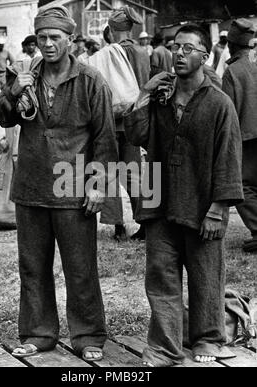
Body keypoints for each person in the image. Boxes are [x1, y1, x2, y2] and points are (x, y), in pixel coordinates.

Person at [0, 5, 118, 361]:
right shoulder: (25, 76)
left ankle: (89, 335)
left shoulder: (91, 81)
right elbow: (4, 116)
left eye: (55, 38)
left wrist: (97, 184)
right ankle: (37, 333)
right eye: (42, 38)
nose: (47, 45)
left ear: (71, 40)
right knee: (33, 267)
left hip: (73, 190)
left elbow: (105, 139)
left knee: (81, 269)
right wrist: (14, 90)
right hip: (31, 188)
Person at [124, 24, 243, 367]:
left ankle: (208, 339)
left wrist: (218, 209)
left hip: (203, 203)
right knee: (161, 276)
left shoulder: (219, 103)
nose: (179, 53)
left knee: (206, 275)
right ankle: (164, 347)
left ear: (205, 57)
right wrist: (145, 94)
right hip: (161, 201)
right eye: (176, 47)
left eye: (188, 49)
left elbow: (228, 158)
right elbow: (136, 135)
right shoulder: (161, 99)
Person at [100, 6, 151, 241]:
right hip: (135, 123)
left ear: (111, 29)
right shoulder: (142, 53)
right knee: (135, 173)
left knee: (108, 172)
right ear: (130, 29)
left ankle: (118, 226)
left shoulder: (106, 53)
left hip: (109, 123)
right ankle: (146, 223)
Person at [222, 19, 257, 253]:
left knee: (242, 185)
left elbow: (227, 111)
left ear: (232, 44)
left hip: (247, 136)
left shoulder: (232, 71)